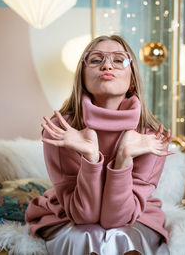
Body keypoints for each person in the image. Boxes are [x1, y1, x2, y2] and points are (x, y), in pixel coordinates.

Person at [25, 35, 174, 255]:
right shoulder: (62, 129)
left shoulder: (150, 136)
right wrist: (91, 157)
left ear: (132, 80)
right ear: (82, 77)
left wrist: (124, 157)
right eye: (95, 60)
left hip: (133, 214)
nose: (106, 65)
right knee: (87, 235)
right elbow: (83, 215)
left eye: (118, 60)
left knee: (119, 237)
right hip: (67, 212)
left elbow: (118, 218)